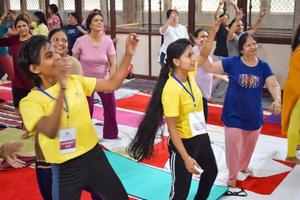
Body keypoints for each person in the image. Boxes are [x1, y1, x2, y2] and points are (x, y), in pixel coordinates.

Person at [18, 33, 139, 199]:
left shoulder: (75, 81)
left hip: (93, 156)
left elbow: (112, 84)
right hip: (65, 167)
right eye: (48, 55)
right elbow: (51, 130)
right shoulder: (30, 102)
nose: (56, 57)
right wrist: (62, 88)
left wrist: (128, 54)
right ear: (34, 68)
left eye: (54, 52)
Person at [127, 18, 225, 200]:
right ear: (176, 61)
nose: (194, 59)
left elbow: (204, 52)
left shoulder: (190, 74)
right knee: (180, 192)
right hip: (183, 144)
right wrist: (186, 157)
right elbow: (172, 129)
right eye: (189, 55)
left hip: (201, 137)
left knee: (211, 172)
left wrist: (214, 30)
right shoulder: (171, 89)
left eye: (192, 55)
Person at [200, 32, 281, 187]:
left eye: (254, 44)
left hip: (253, 115)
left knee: (248, 147)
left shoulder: (263, 66)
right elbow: (209, 67)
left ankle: (243, 166)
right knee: (233, 147)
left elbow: (273, 84)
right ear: (241, 49)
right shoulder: (233, 62)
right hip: (233, 114)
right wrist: (203, 50)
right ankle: (232, 175)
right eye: (248, 45)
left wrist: (277, 99)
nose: (253, 47)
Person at [72, 12, 118, 139]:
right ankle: (85, 136)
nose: (99, 23)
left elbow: (113, 63)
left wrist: (112, 81)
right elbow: (73, 61)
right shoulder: (80, 41)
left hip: (103, 80)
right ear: (89, 25)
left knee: (110, 107)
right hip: (85, 81)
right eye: (96, 20)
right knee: (86, 109)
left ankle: (110, 135)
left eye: (101, 20)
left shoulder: (108, 41)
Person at [193, 28, 228, 121]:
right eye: (202, 36)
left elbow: (207, 72)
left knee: (202, 121)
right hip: (196, 92)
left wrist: (220, 77)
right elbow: (208, 68)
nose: (205, 39)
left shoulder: (205, 52)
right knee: (199, 121)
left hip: (203, 92)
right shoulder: (195, 52)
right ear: (195, 39)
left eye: (207, 37)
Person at [0, 15, 33, 110]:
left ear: (28, 26)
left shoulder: (35, 40)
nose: (22, 29)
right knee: (18, 109)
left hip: (33, 82)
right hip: (17, 82)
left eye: (24, 25)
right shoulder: (14, 39)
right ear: (15, 28)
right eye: (19, 27)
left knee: (32, 110)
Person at [281, 24, 300, 164]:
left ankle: (296, 144)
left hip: (295, 88)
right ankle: (291, 155)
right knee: (295, 121)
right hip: (297, 89)